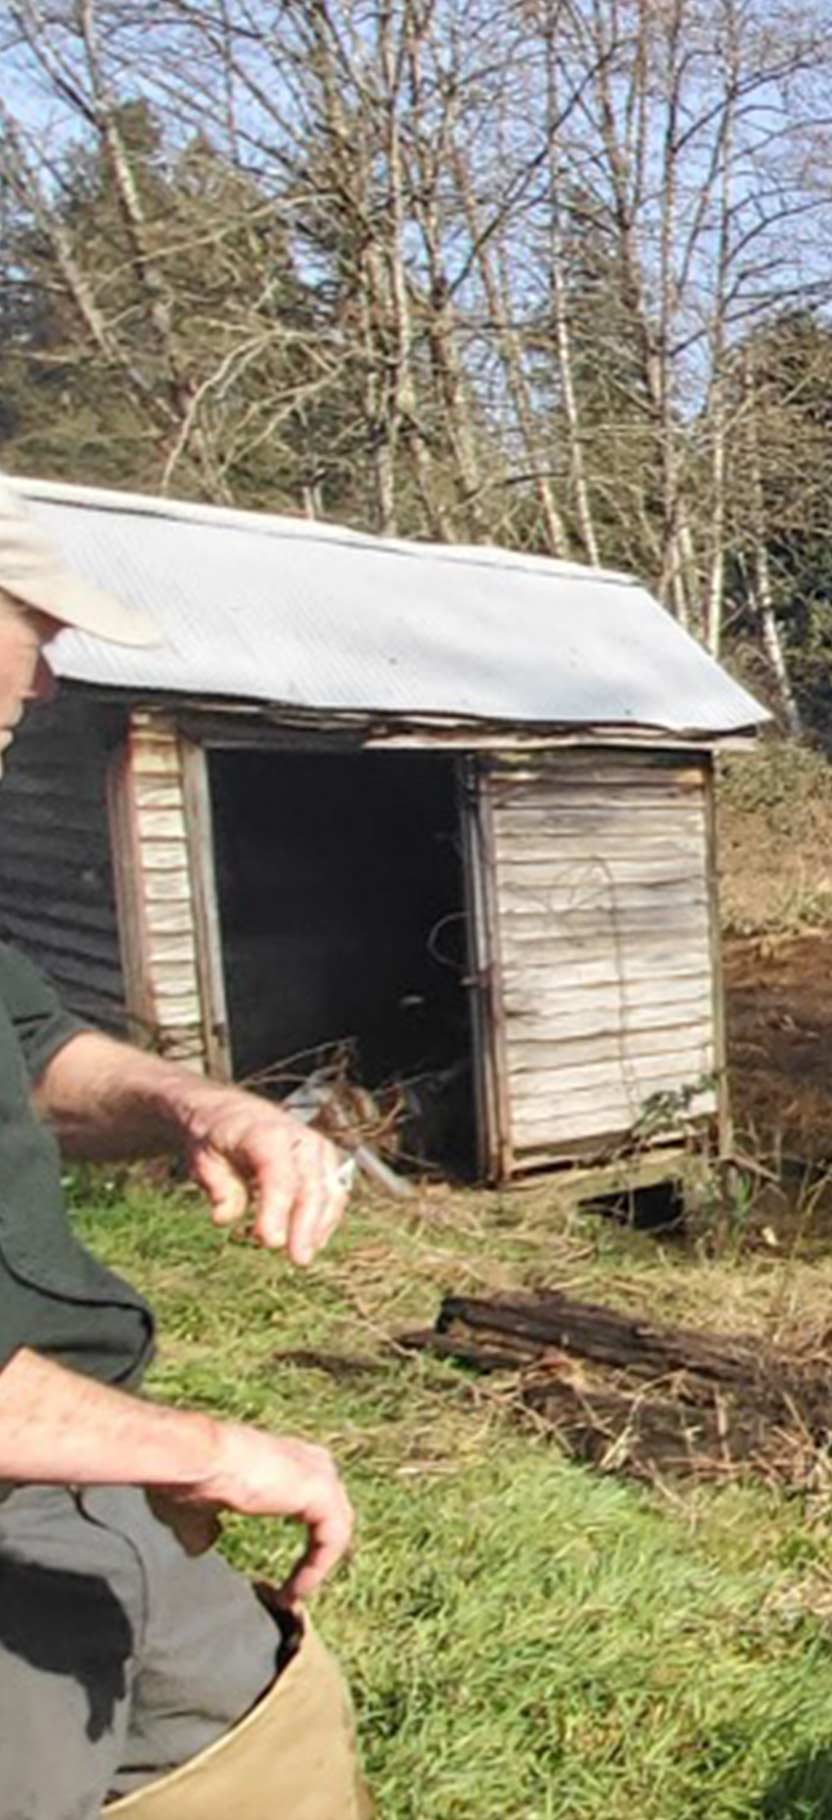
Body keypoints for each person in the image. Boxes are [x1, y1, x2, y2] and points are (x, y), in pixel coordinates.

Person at [0, 482, 364, 1818]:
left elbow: (34, 1049)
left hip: (94, 1489)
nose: (42, 684)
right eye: (26, 627)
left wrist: (196, 1105)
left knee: (268, 1737)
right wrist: (208, 1451)